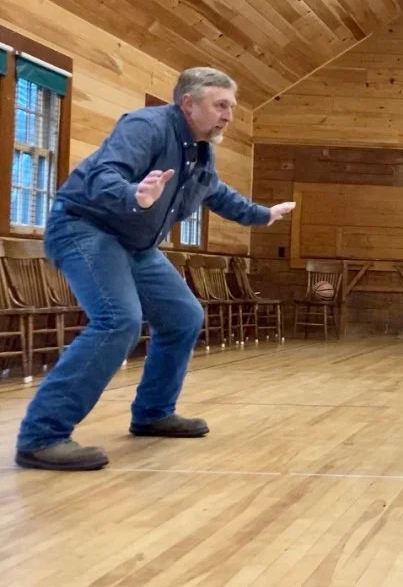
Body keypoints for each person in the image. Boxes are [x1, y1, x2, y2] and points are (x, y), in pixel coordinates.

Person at [14, 67, 296, 471]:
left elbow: (216, 193)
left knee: (183, 316)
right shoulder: (145, 126)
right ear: (188, 103)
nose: (228, 116)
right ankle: (42, 436)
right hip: (85, 227)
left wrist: (263, 215)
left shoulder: (200, 151)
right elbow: (104, 174)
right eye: (220, 105)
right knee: (118, 321)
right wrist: (134, 194)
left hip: (136, 244)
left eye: (231, 107)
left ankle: (152, 413)